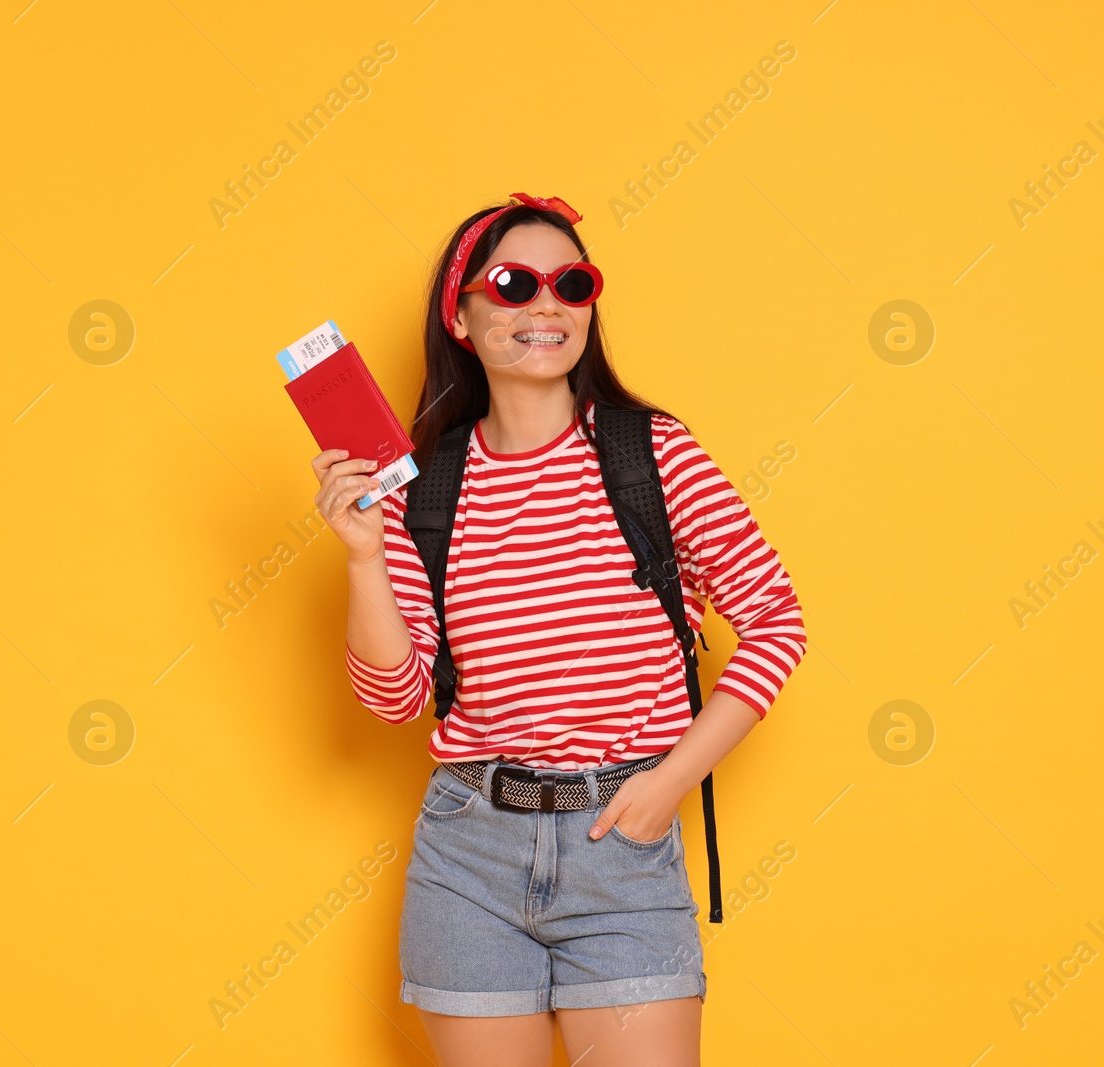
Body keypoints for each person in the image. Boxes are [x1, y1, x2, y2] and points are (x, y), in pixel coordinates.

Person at [310, 192, 807, 1066]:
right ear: (460, 316)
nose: (546, 304)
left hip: (620, 839)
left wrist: (668, 784)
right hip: (467, 851)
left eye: (570, 284)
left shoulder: (650, 453)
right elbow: (396, 700)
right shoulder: (426, 487)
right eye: (513, 283)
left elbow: (775, 618)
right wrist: (362, 554)